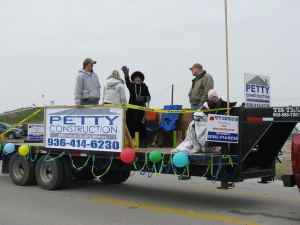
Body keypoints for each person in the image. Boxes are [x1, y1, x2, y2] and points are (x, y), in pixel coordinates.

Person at [172, 89, 236, 153]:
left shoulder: (221, 103)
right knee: (193, 125)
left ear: (217, 97)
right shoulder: (206, 104)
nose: (213, 98)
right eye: (211, 97)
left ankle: (204, 145)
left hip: (215, 124)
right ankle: (200, 145)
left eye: (214, 97)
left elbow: (229, 105)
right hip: (204, 122)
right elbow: (200, 114)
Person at [121, 66, 151, 148]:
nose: (137, 79)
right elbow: (127, 82)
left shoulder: (144, 86)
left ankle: (142, 143)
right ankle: (130, 142)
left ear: (141, 79)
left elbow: (149, 97)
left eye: (139, 78)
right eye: (136, 78)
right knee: (130, 125)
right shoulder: (131, 86)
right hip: (131, 110)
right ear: (133, 79)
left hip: (141, 110)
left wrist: (143, 98)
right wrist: (126, 75)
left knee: (141, 126)